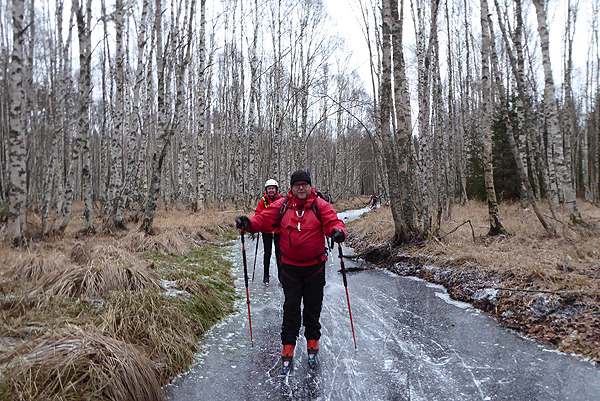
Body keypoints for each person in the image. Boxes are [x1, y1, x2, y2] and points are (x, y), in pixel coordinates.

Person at [236, 170, 346, 372]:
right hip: (290, 269)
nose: (301, 188)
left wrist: (338, 232)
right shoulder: (283, 205)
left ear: (310, 186)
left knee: (313, 307)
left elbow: (333, 222)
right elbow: (264, 219)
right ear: (292, 187)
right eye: (297, 185)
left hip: (315, 268)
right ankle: (288, 345)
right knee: (291, 308)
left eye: (305, 184)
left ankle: (312, 342)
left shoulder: (320, 206)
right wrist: (249, 224)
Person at [255, 179, 282, 284]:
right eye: (269, 189)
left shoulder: (281, 200)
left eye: (273, 188)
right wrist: (257, 225)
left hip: (278, 231)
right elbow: (258, 214)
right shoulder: (262, 201)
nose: (271, 190)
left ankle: (281, 276)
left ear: (276, 189)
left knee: (279, 254)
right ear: (266, 190)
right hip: (266, 231)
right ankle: (266, 275)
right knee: (267, 253)